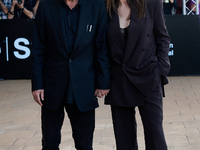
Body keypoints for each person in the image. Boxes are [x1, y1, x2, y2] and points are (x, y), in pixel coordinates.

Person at [31, 0, 110, 149]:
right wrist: (37, 84)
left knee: (84, 145)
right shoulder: (46, 5)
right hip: (52, 87)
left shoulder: (96, 5)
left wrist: (103, 82)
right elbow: (38, 48)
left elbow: (101, 47)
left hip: (84, 86)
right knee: (50, 144)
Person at [105, 0, 170, 150]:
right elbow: (101, 45)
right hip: (119, 79)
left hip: (148, 76)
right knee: (124, 139)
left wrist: (160, 69)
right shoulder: (105, 6)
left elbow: (162, 37)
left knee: (155, 135)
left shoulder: (151, 3)